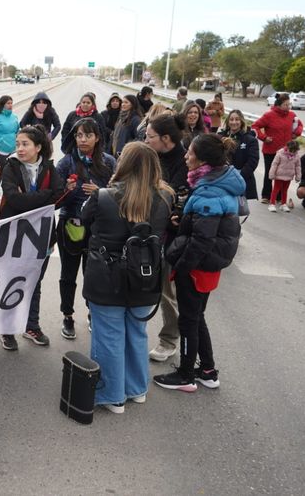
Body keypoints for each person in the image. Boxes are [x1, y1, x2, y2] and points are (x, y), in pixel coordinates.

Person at [81, 142, 173, 412]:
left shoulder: (104, 196)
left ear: (123, 165)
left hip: (107, 276)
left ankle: (112, 395)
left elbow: (84, 219)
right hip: (145, 275)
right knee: (137, 332)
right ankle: (136, 388)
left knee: (108, 335)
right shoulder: (165, 197)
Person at [154, 134, 245, 392]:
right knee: (196, 318)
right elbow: (205, 227)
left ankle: (185, 375)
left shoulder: (208, 191)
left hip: (196, 267)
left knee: (188, 321)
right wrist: (184, 219)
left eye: (190, 153)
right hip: (208, 266)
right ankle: (207, 370)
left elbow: (202, 240)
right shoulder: (220, 182)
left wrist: (180, 267)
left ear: (202, 159)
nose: (185, 156)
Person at [0, 125, 65, 351]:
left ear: (38, 147)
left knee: (34, 282)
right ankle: (7, 330)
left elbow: (58, 196)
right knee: (12, 281)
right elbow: (14, 200)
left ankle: (31, 325)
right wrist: (43, 197)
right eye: (18, 144)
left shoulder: (49, 168)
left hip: (42, 238)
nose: (20, 148)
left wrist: (33, 197)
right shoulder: (10, 167)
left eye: (25, 144)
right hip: (14, 237)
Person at [56, 117, 117, 340]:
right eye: (79, 135)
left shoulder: (109, 162)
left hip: (98, 228)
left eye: (88, 135)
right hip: (70, 225)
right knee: (68, 273)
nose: (82, 140)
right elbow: (54, 202)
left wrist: (100, 192)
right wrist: (67, 191)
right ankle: (67, 315)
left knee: (94, 273)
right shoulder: (65, 163)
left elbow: (119, 195)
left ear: (97, 137)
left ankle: (93, 313)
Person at [143, 113, 187, 362]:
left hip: (170, 237)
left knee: (166, 291)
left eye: (150, 137)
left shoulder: (185, 162)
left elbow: (175, 201)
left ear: (166, 138)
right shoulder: (153, 156)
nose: (146, 141)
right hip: (146, 232)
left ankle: (169, 339)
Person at [251, 93, 303, 203]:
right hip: (271, 150)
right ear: (278, 105)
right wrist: (264, 138)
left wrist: (296, 133)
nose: (288, 107)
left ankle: (279, 196)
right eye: (285, 104)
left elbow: (300, 125)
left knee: (283, 174)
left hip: (286, 151)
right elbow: (255, 126)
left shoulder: (292, 115)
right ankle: (266, 195)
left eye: (289, 104)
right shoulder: (269, 115)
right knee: (271, 172)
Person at [218, 109, 259, 201]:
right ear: (228, 121)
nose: (234, 122)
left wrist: (238, 177)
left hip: (240, 180)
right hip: (221, 179)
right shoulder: (219, 137)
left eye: (237, 119)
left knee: (237, 212)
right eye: (231, 119)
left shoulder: (250, 140)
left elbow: (253, 162)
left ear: (241, 121)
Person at [267, 140, 301, 213]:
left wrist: (298, 176)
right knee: (276, 189)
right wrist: (272, 174)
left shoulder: (297, 155)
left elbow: (298, 166)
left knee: (285, 190)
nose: (292, 152)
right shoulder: (280, 153)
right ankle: (272, 203)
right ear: (287, 147)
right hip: (279, 175)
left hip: (288, 176)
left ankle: (283, 204)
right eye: (291, 150)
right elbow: (274, 164)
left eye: (294, 150)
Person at [0, 95, 20, 169]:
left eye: (11, 103)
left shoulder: (14, 117)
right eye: (8, 103)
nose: (10, 105)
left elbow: (17, 130)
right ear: (3, 104)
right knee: (3, 171)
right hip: (1, 149)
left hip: (13, 148)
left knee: (13, 171)